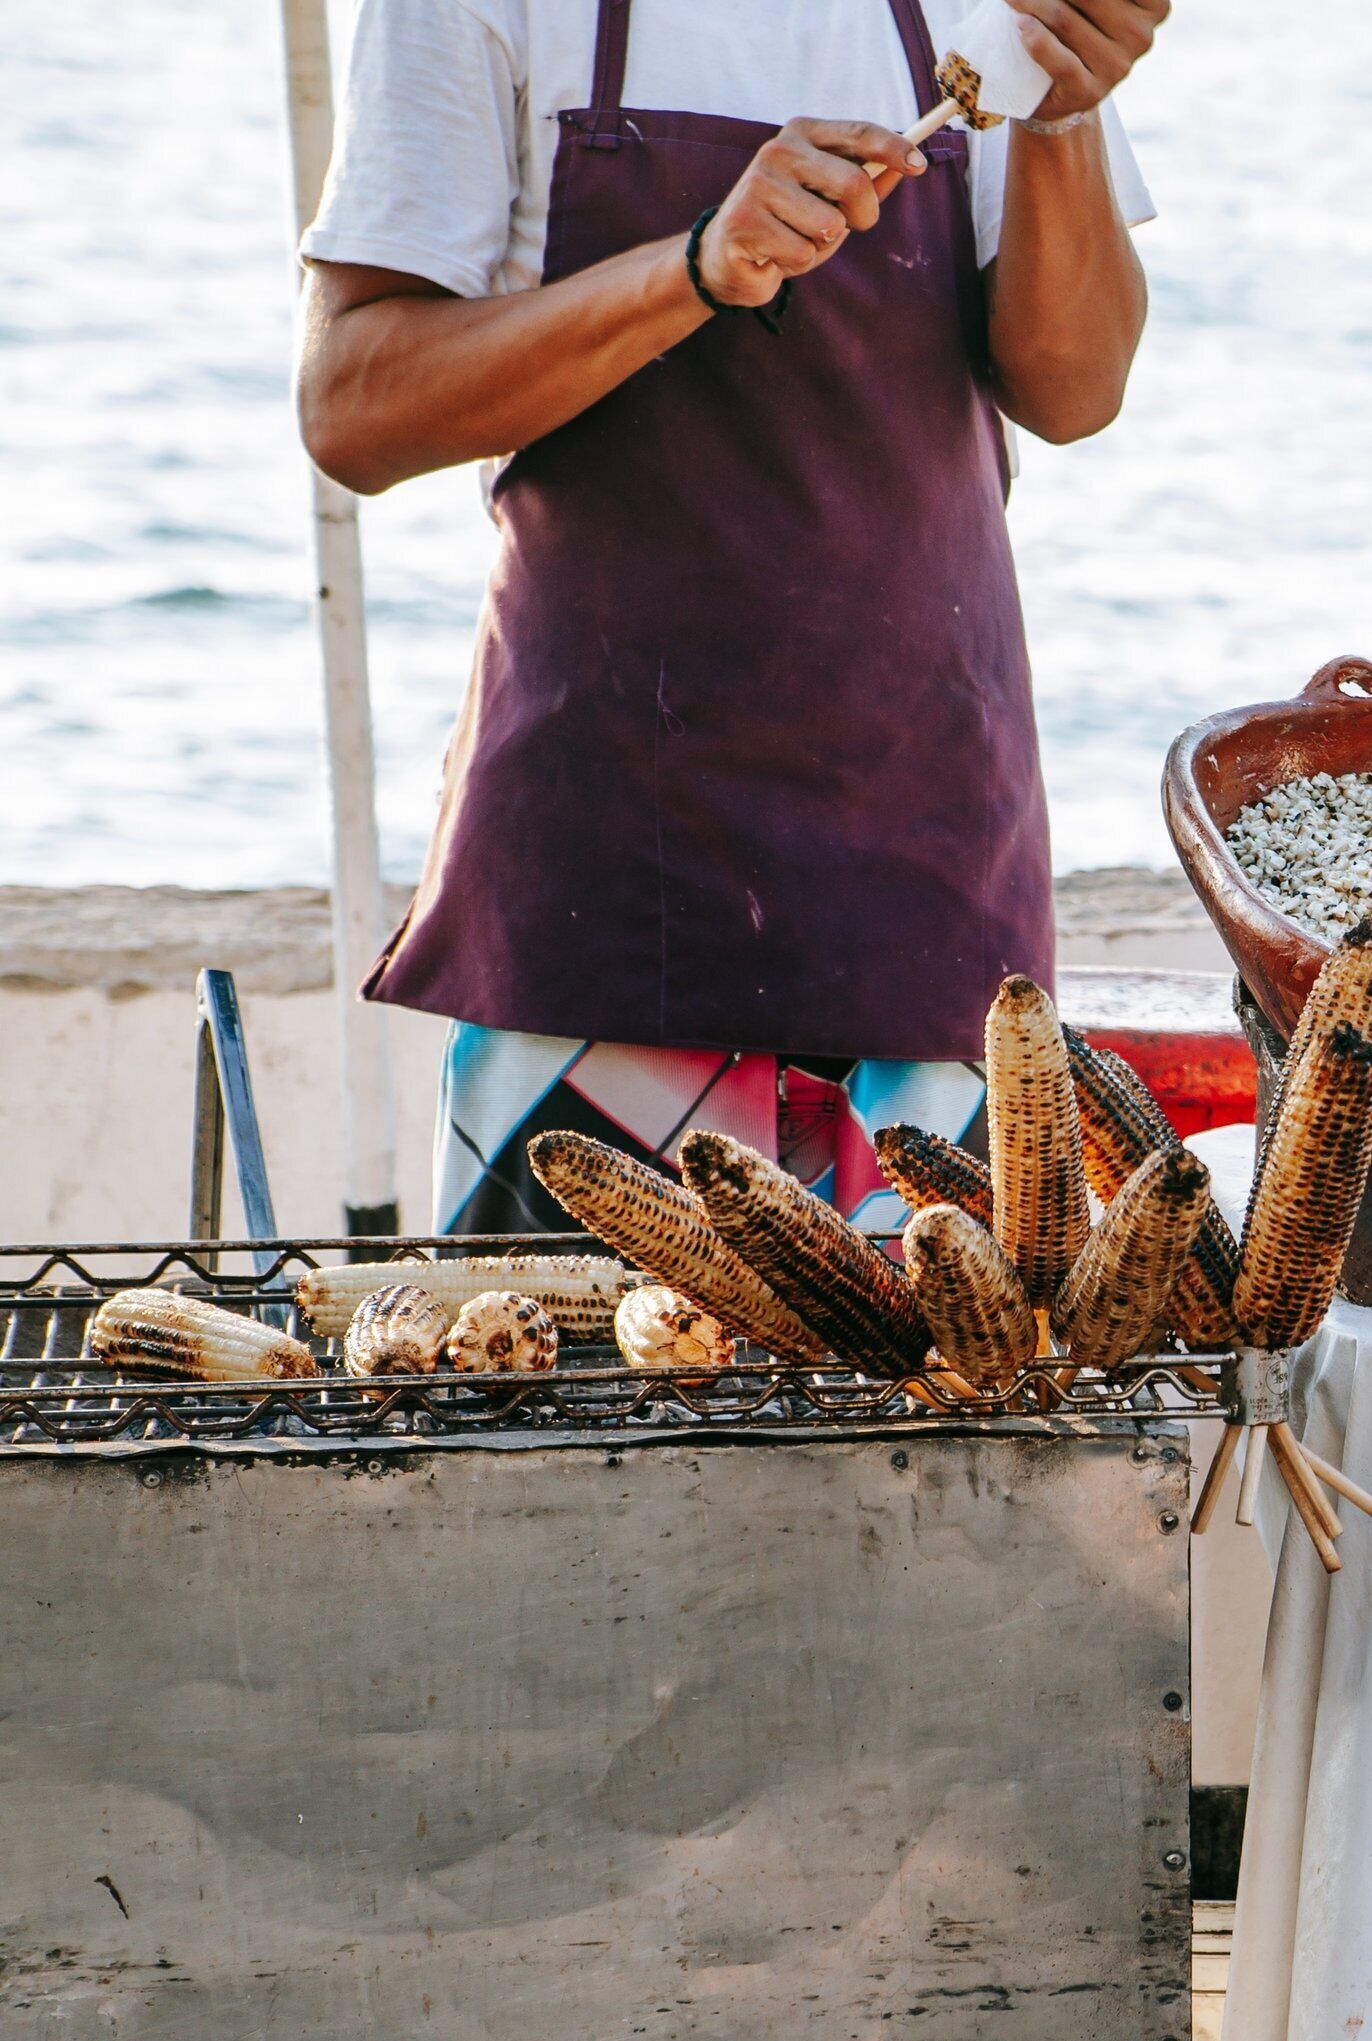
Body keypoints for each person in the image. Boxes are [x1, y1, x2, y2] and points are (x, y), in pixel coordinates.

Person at [296, 0, 1168, 1230]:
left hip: (923, 879)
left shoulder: (993, 12)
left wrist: (1065, 119)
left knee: (944, 1358)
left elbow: (1076, 390)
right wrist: (695, 265)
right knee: (560, 1355)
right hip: (601, 900)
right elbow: (354, 404)